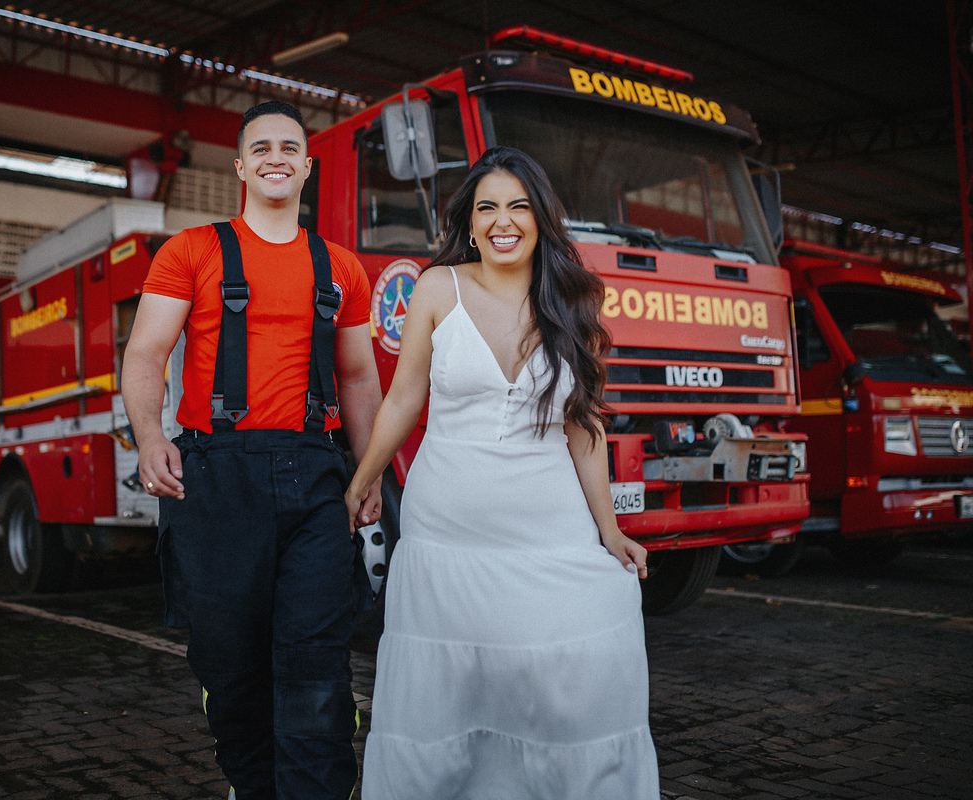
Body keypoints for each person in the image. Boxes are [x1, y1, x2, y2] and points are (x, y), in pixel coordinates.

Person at [345, 146, 660, 799]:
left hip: (550, 529)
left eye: (518, 206)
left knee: (571, 672)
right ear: (469, 221)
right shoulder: (438, 288)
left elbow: (583, 427)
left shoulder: (573, 301)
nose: (502, 221)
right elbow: (403, 399)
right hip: (445, 533)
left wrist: (610, 531)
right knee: (448, 689)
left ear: (541, 217)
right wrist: (364, 478)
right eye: (487, 207)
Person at [121, 100, 383, 800]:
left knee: (315, 663)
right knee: (230, 665)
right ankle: (253, 785)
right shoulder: (190, 251)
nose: (275, 157)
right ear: (240, 166)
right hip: (215, 477)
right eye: (260, 147)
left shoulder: (342, 268)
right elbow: (145, 353)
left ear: (307, 166)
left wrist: (369, 472)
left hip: (316, 478)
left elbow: (360, 378)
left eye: (289, 147)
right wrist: (150, 437)